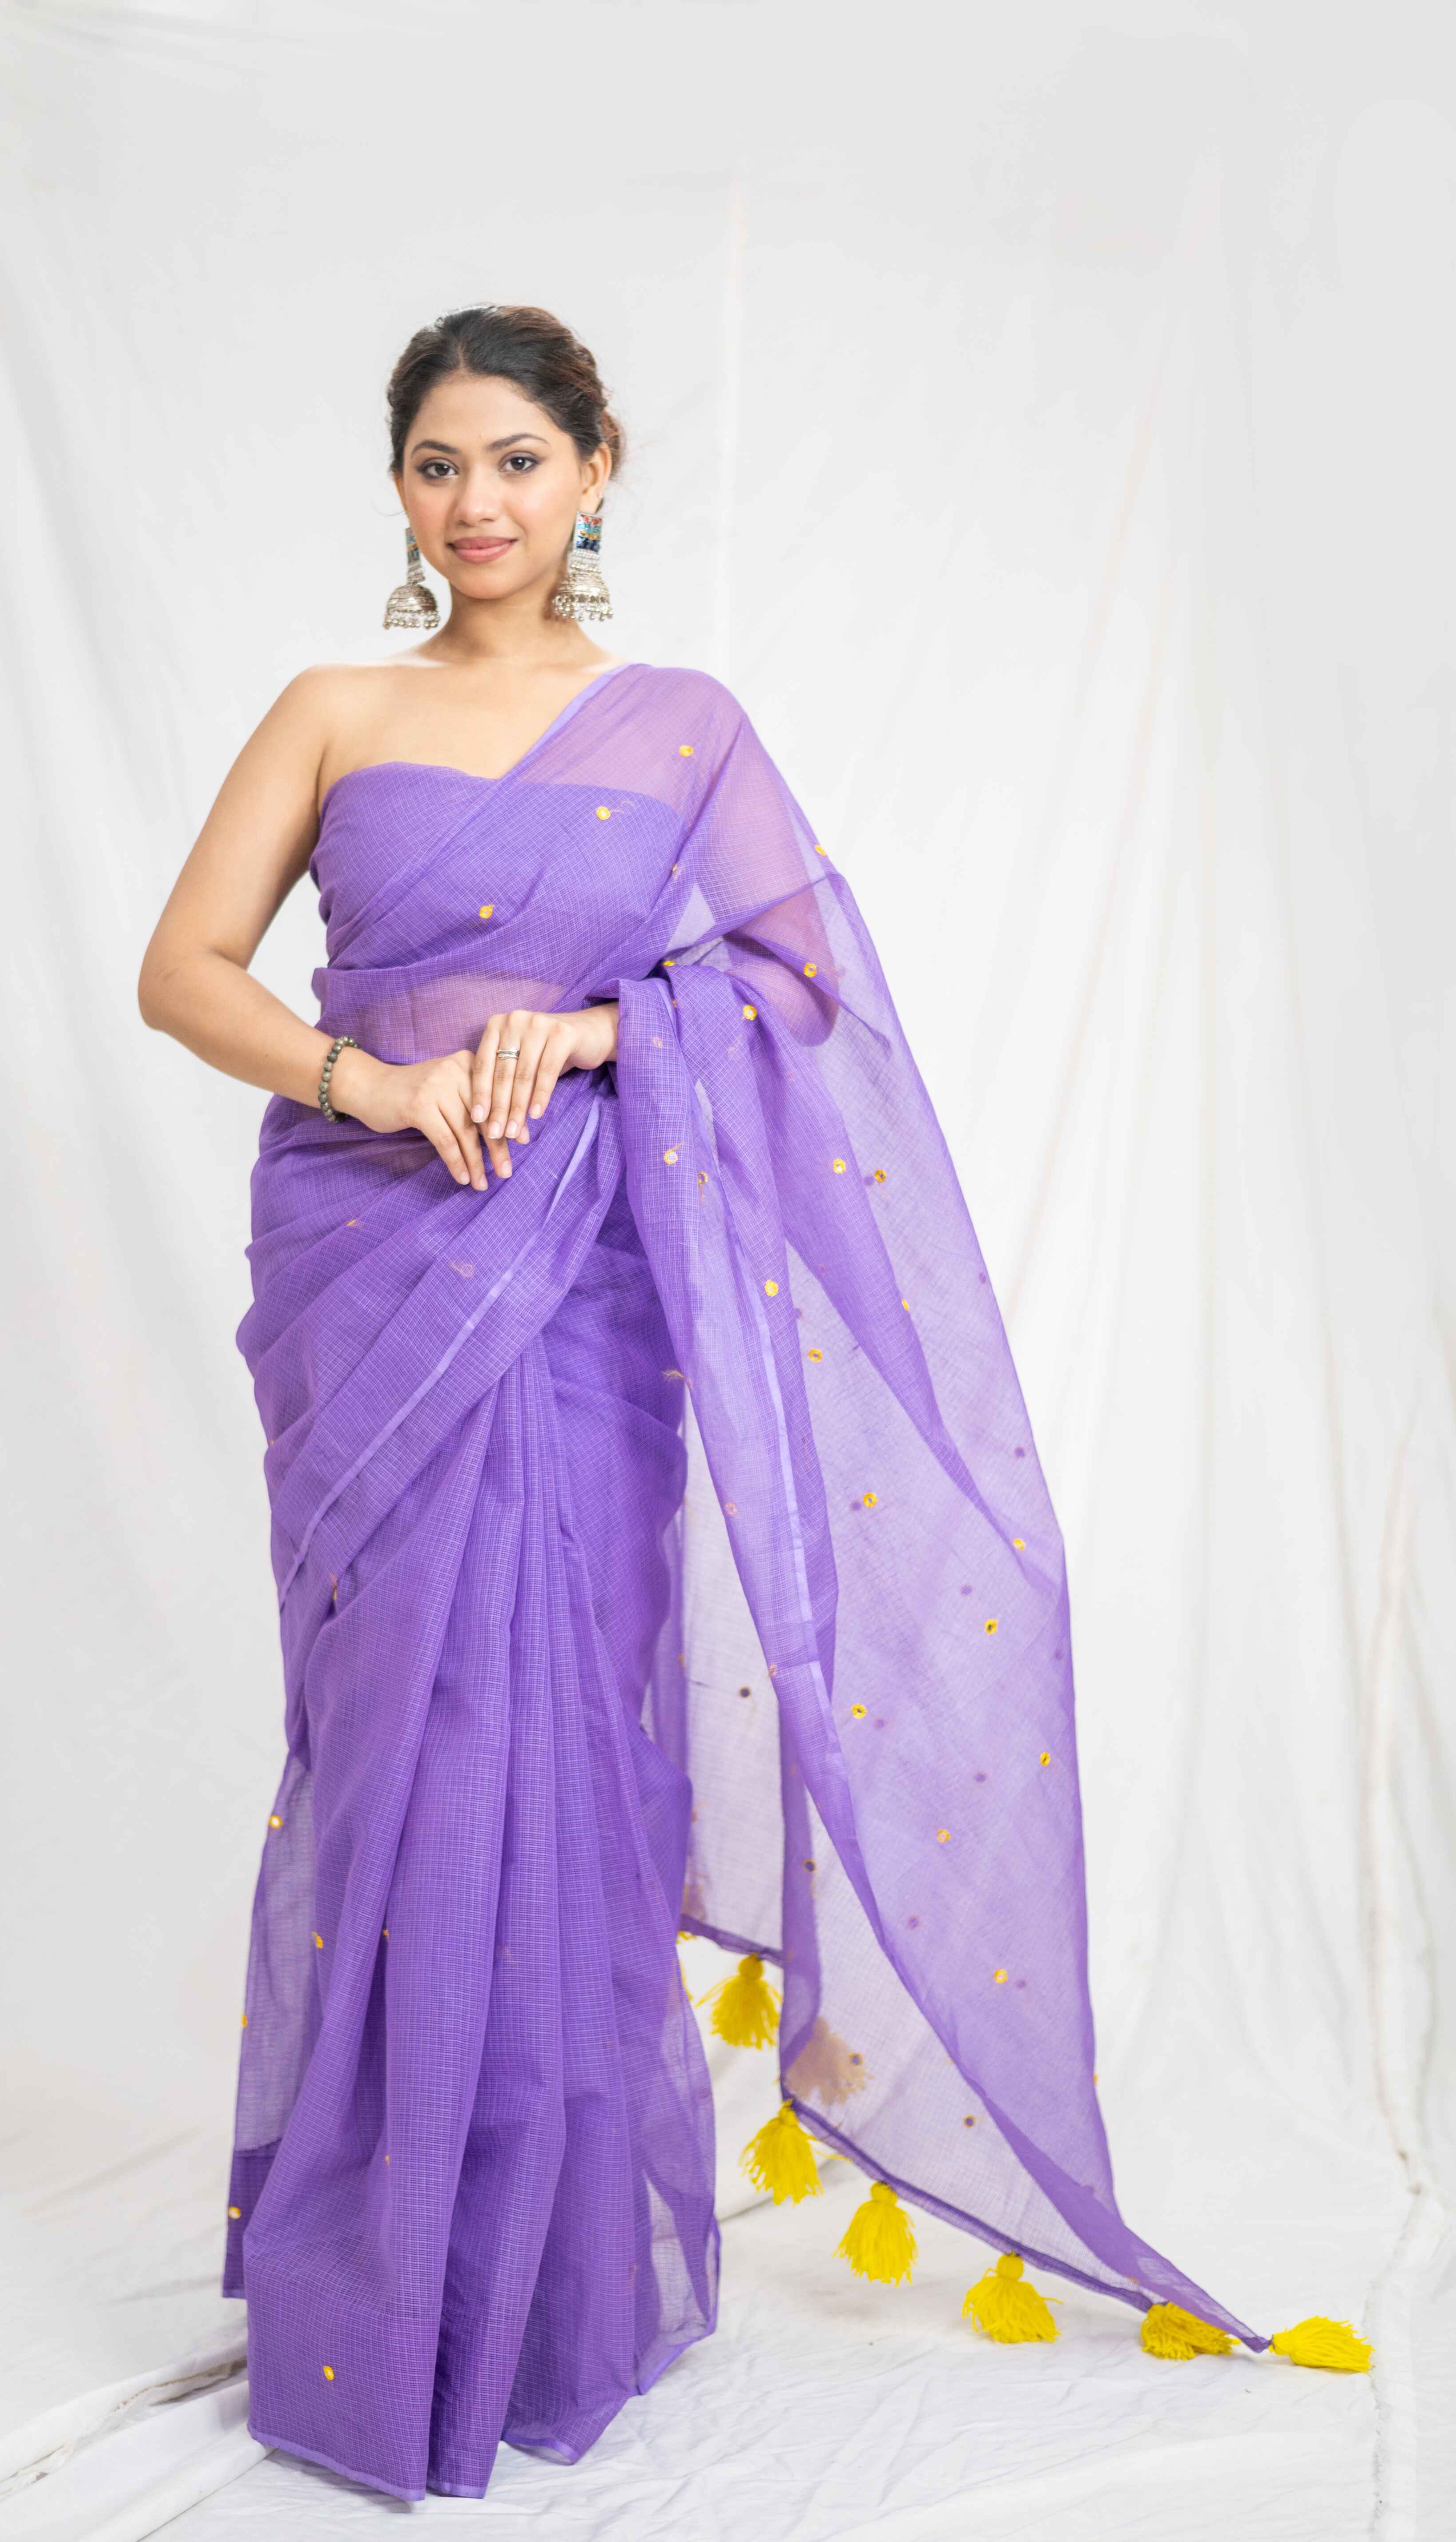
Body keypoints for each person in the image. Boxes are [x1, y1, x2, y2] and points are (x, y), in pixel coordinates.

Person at [137, 304, 1365, 2504]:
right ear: (399, 487)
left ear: (598, 466)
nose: (478, 502)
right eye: (438, 463)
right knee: (397, 1740)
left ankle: (539, 2294)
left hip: (581, 1285)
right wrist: (377, 1085)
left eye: (519, 459)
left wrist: (599, 1034)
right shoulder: (334, 708)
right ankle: (368, 2281)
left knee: (561, 1739)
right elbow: (183, 969)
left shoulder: (685, 724)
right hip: (368, 1269)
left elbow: (798, 988)